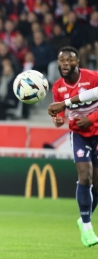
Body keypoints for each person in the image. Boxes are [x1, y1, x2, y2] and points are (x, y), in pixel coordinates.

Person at [48, 46, 98, 247]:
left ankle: (83, 218)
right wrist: (58, 120)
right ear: (58, 64)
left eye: (70, 60)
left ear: (77, 62)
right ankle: (86, 226)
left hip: (97, 130)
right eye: (62, 60)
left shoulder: (92, 77)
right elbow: (59, 114)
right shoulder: (57, 87)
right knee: (84, 176)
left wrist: (92, 119)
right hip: (79, 134)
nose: (66, 64)